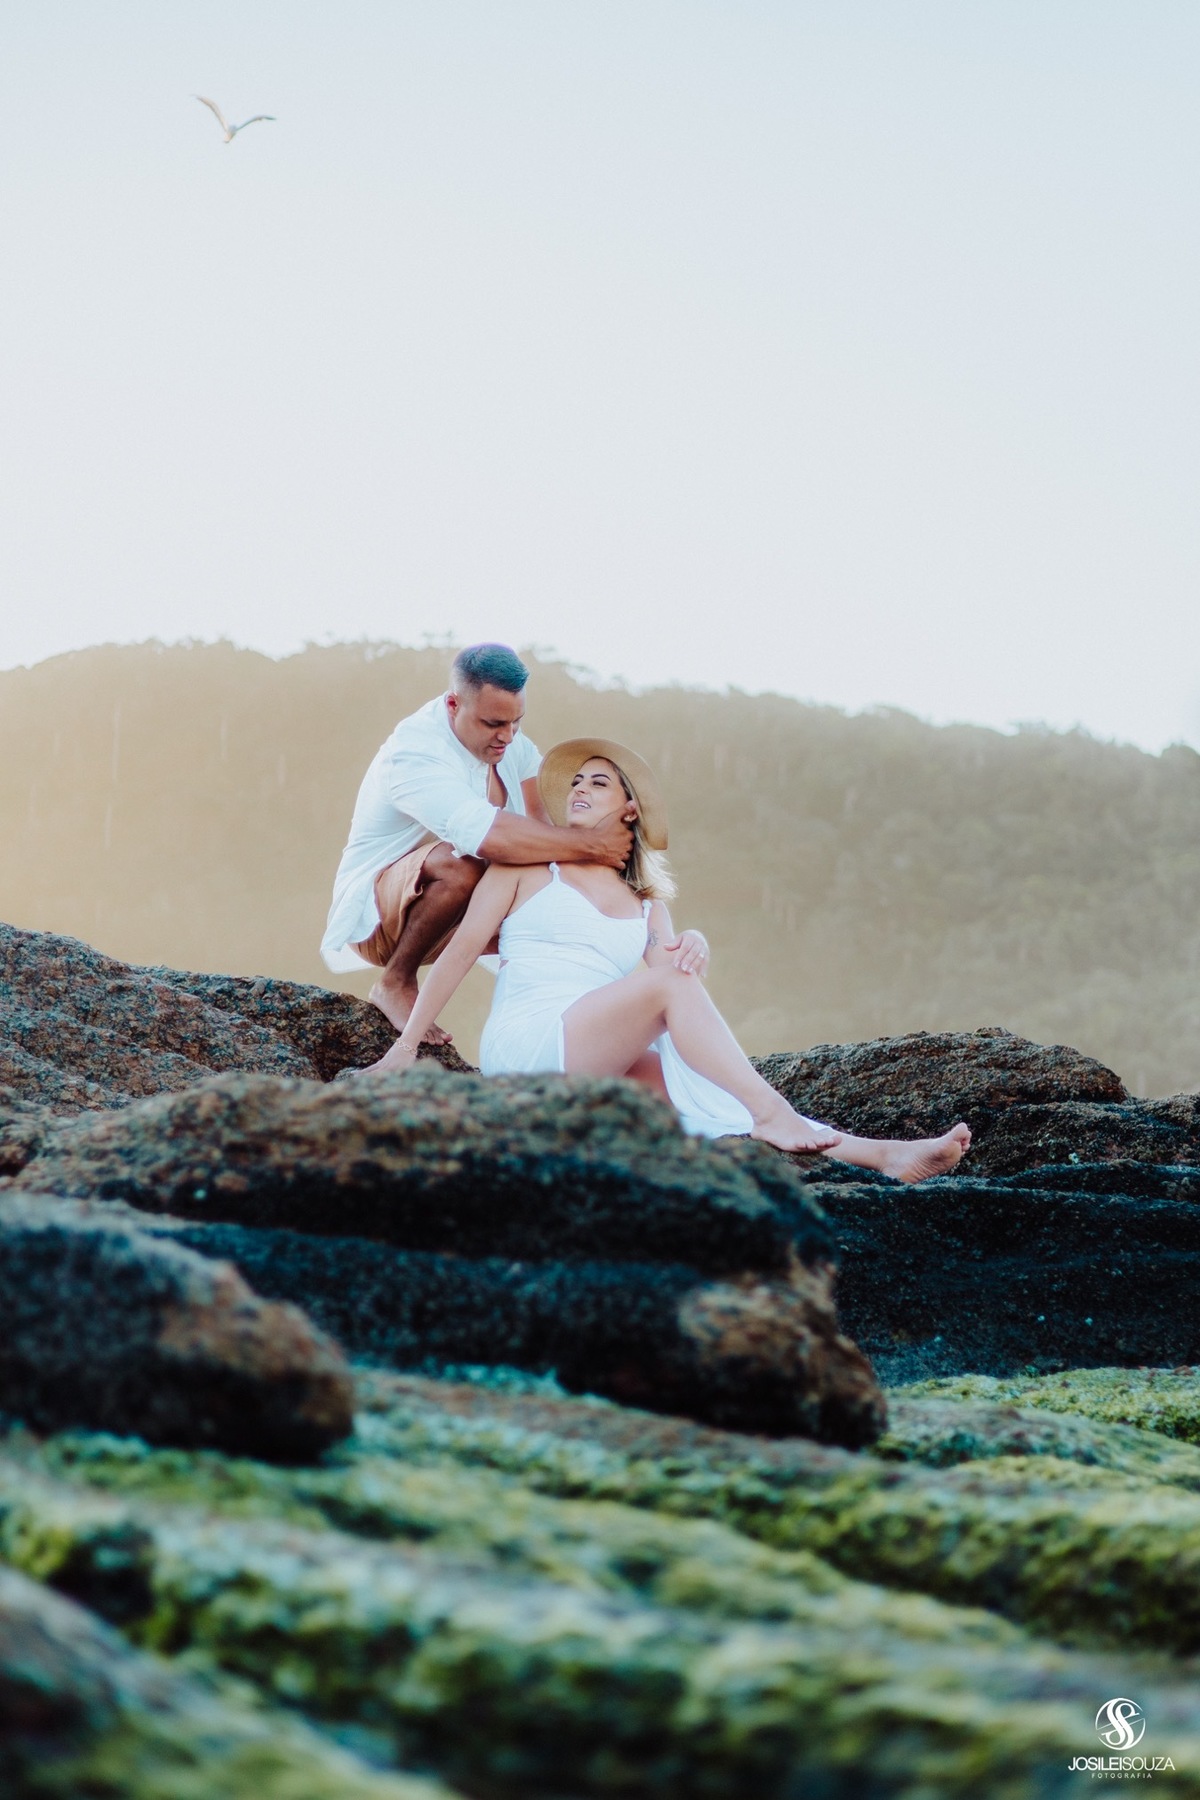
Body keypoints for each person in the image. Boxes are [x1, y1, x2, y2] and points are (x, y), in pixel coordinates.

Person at [369, 736, 971, 1179]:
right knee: (693, 1029)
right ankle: (775, 1114)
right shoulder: (525, 866)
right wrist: (404, 1048)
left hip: (592, 1048)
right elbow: (458, 955)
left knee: (692, 1101)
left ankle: (884, 1155)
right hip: (531, 1042)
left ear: (629, 810)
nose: (580, 789)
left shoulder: (644, 896)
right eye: (576, 782)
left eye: (597, 783)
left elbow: (670, 977)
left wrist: (693, 944)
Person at [320, 645, 633, 1043]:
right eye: (493, 724)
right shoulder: (415, 753)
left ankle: (559, 1024)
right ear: (453, 704)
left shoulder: (512, 745)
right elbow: (490, 839)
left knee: (546, 890)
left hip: (461, 918)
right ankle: (395, 982)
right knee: (464, 861)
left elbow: (543, 827)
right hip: (382, 917)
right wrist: (592, 844)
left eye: (516, 722)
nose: (507, 736)